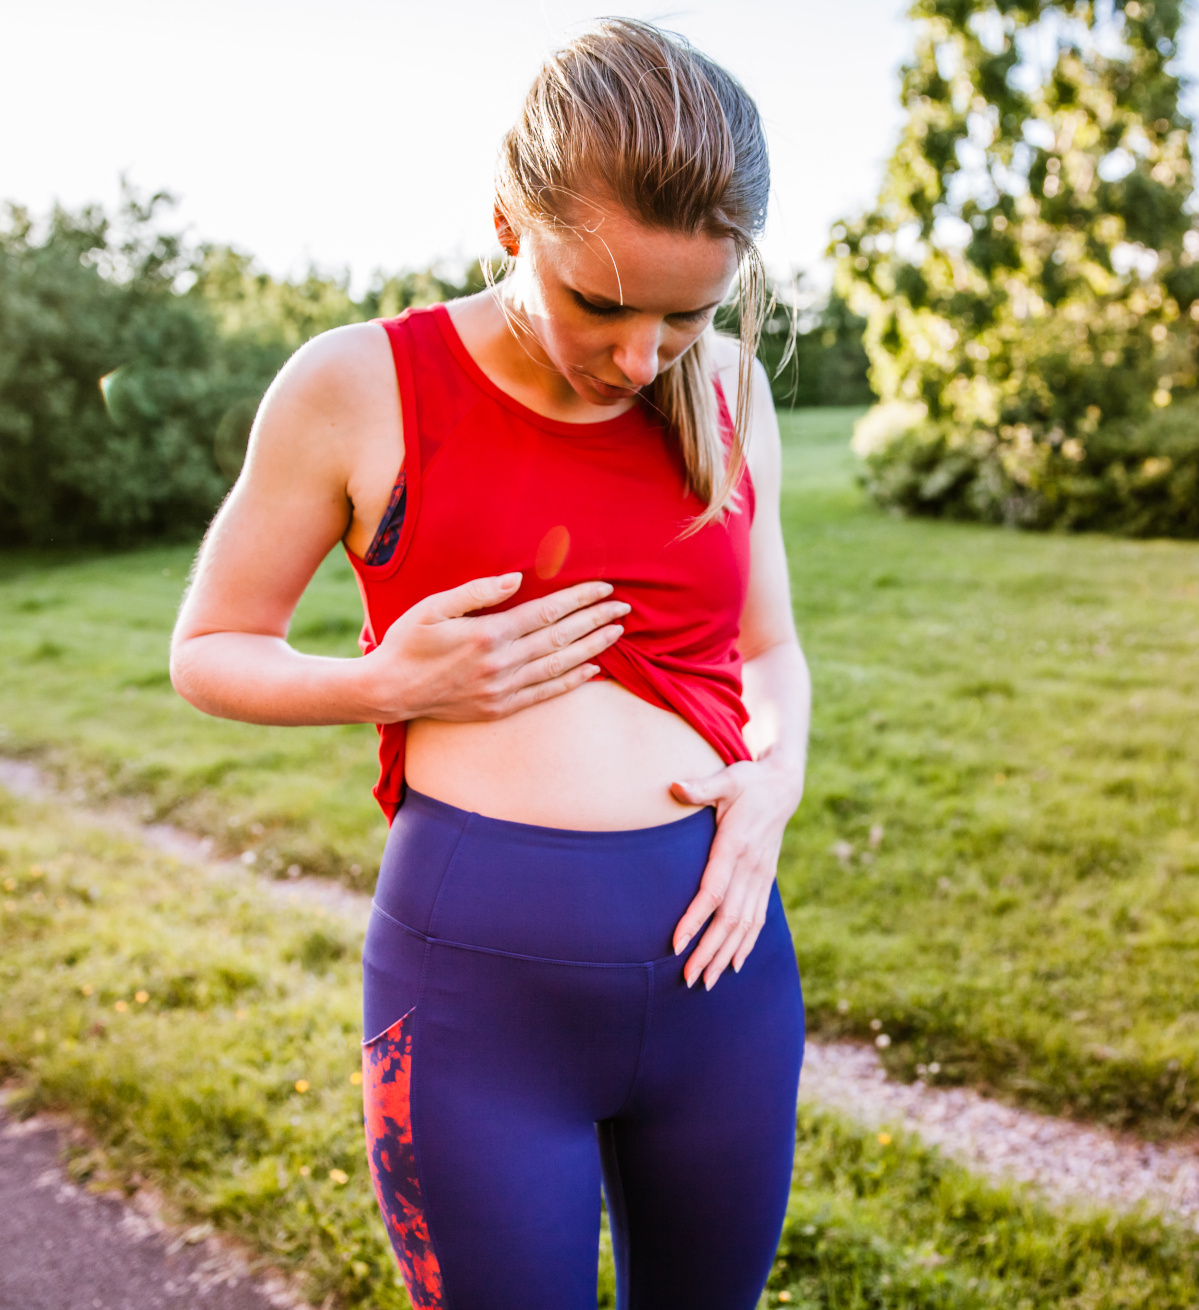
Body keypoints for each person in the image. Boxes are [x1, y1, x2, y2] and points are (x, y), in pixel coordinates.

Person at [169, 21, 809, 1310]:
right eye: (602, 303)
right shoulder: (358, 385)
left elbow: (768, 651)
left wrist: (773, 791)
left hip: (725, 975)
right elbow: (206, 651)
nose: (641, 359)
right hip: (477, 998)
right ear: (509, 223)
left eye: (686, 314)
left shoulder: (733, 389)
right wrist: (383, 685)